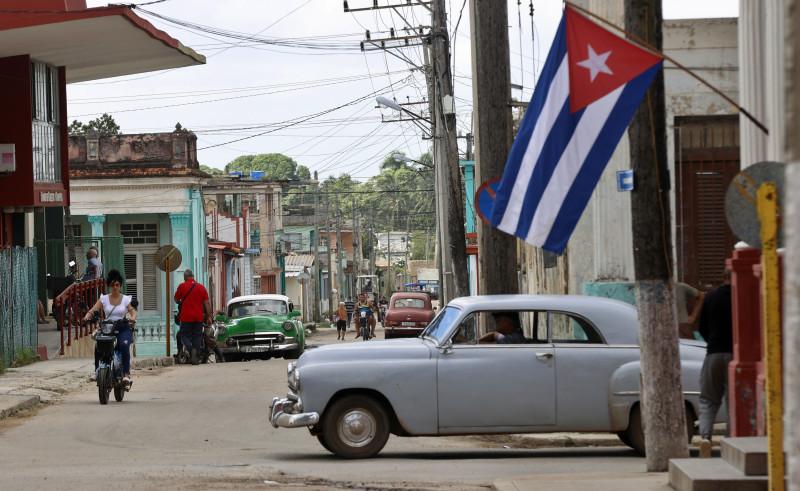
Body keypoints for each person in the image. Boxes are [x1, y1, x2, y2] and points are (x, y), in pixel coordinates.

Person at [696, 273, 733, 458]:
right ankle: (731, 438)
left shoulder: (711, 296)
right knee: (733, 401)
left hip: (713, 353)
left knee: (708, 400)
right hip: (736, 356)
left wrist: (712, 341)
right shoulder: (742, 295)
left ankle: (705, 437)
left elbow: (701, 326)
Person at [83, 269, 137, 383]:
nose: (115, 287)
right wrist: (88, 315)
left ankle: (126, 373)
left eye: (117, 284)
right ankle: (97, 371)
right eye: (112, 285)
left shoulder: (126, 299)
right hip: (107, 328)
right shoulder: (104, 299)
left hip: (123, 328)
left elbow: (132, 312)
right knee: (99, 346)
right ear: (109, 285)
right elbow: (93, 309)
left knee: (124, 345)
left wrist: (132, 318)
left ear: (120, 285)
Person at [174, 269, 212, 365]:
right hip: (198, 317)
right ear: (193, 276)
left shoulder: (182, 286)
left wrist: (181, 302)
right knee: (197, 336)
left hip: (186, 317)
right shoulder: (201, 288)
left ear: (185, 277)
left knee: (183, 335)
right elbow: (207, 304)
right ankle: (195, 354)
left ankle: (191, 350)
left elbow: (176, 299)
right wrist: (209, 317)